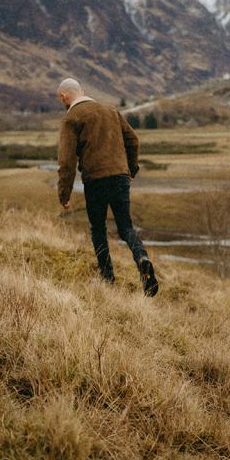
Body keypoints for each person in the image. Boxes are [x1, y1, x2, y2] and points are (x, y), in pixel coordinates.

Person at [56, 78, 158, 296]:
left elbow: (66, 161)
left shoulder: (72, 117)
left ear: (64, 97)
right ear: (81, 91)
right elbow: (133, 140)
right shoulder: (110, 110)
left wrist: (64, 193)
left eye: (61, 99)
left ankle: (107, 279)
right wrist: (130, 169)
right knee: (126, 227)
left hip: (95, 180)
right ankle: (142, 257)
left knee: (99, 229)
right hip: (120, 176)